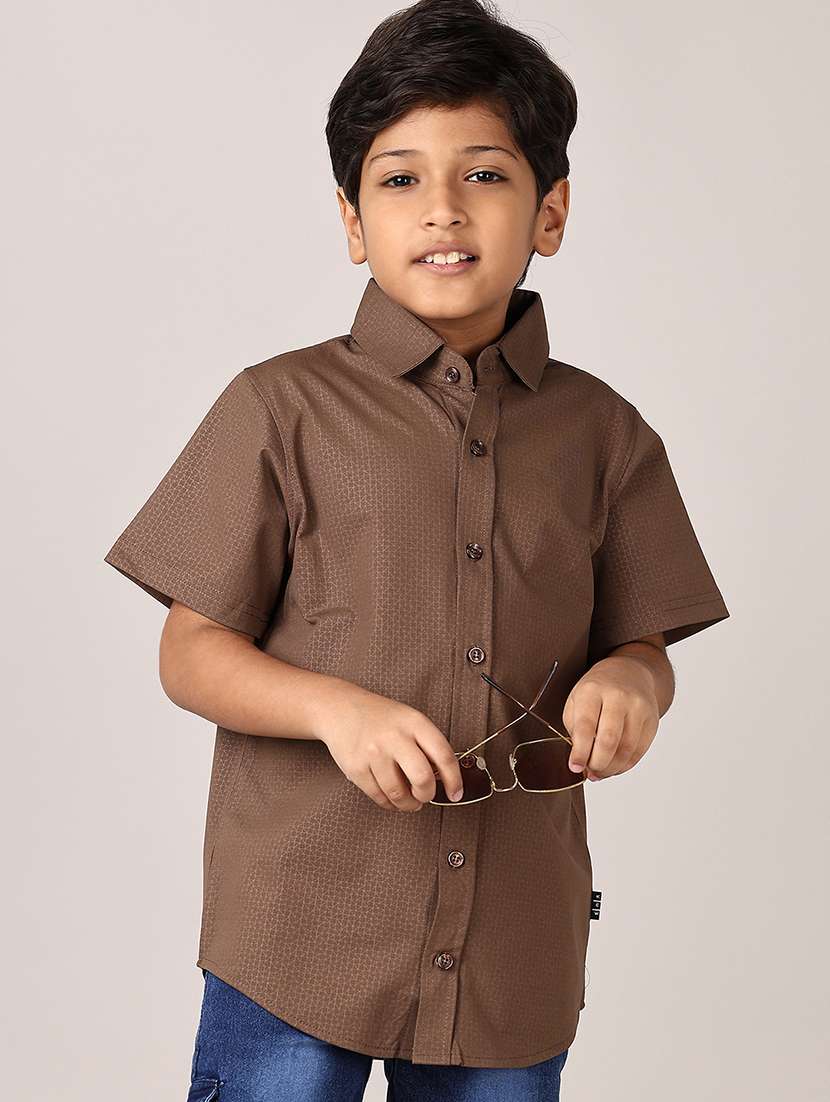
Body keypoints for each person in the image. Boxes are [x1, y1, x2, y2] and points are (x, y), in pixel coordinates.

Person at [103, 1, 730, 1099]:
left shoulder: (606, 435)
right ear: (352, 221)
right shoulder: (277, 408)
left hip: (512, 946)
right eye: (399, 179)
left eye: (484, 173)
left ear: (550, 210)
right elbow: (189, 653)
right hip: (298, 939)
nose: (442, 207)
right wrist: (335, 710)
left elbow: (642, 644)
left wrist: (635, 681)